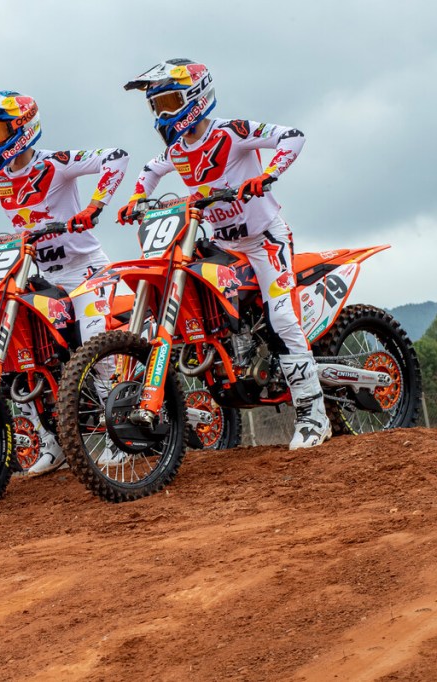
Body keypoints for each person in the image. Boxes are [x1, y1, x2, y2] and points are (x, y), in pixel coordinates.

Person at [118, 58, 331, 450]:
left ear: (196, 97)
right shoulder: (178, 150)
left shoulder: (231, 132)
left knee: (282, 318)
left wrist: (267, 175)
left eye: (169, 102)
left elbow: (292, 136)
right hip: (223, 246)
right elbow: (150, 169)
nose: (162, 114)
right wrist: (136, 198)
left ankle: (313, 415)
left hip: (265, 240)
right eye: (156, 106)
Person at [0, 91, 130, 475]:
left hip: (85, 270)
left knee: (95, 344)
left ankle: (120, 433)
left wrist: (95, 206)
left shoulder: (55, 163)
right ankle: (51, 440)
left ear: (23, 127)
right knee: (21, 356)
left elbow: (116, 157)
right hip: (43, 277)